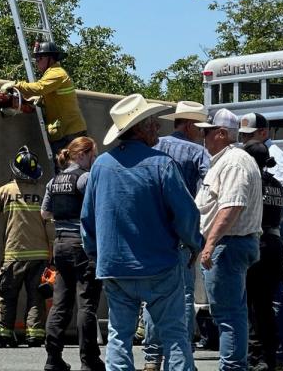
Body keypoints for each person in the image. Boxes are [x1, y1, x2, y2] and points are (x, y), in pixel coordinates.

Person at [81, 94, 201, 371]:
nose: (158, 128)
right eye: (153, 123)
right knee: (174, 335)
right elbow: (186, 214)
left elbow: (87, 217)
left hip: (115, 266)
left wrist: (96, 253)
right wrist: (194, 244)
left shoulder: (100, 165)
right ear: (139, 128)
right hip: (158, 264)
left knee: (119, 336)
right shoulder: (161, 164)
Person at [142, 100, 211, 371]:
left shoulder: (152, 146)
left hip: (152, 233)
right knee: (182, 295)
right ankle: (181, 353)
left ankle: (151, 356)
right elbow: (207, 190)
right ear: (191, 125)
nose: (201, 134)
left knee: (152, 295)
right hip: (182, 233)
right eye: (200, 128)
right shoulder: (197, 152)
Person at [196, 108, 262, 371]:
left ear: (221, 134)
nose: (203, 137)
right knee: (231, 312)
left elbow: (231, 206)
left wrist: (210, 243)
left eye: (207, 132)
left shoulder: (233, 162)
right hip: (231, 244)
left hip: (229, 245)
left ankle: (233, 367)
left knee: (228, 314)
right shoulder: (230, 160)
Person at [238, 113, 283, 371]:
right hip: (273, 239)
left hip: (262, 239)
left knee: (258, 301)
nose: (244, 141)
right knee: (269, 298)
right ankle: (273, 355)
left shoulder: (258, 180)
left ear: (264, 132)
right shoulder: (275, 184)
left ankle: (266, 354)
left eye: (249, 136)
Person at [41, 136, 104, 371]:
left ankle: (53, 358)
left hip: (60, 244)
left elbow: (45, 213)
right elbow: (98, 206)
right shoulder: (84, 178)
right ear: (81, 154)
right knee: (86, 303)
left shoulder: (54, 180)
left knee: (60, 303)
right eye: (93, 155)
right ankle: (89, 360)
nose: (94, 159)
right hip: (82, 245)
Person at [0, 146, 54, 347]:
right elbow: (51, 226)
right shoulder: (43, 192)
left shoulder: (5, 190)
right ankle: (35, 335)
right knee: (36, 297)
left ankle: (2, 333)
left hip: (14, 254)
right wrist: (53, 253)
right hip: (39, 255)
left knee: (6, 294)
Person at [242, 141, 283, 371]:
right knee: (267, 305)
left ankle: (256, 356)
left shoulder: (251, 183)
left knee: (252, 306)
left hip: (257, 245)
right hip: (275, 244)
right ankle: (273, 355)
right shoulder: (278, 186)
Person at [1, 41, 88, 157]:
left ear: (50, 59)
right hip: (65, 131)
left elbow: (39, 88)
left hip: (70, 133)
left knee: (72, 169)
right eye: (36, 59)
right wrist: (34, 101)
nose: (37, 62)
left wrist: (16, 85)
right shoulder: (51, 74)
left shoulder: (57, 73)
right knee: (67, 169)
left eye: (39, 58)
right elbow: (49, 96)